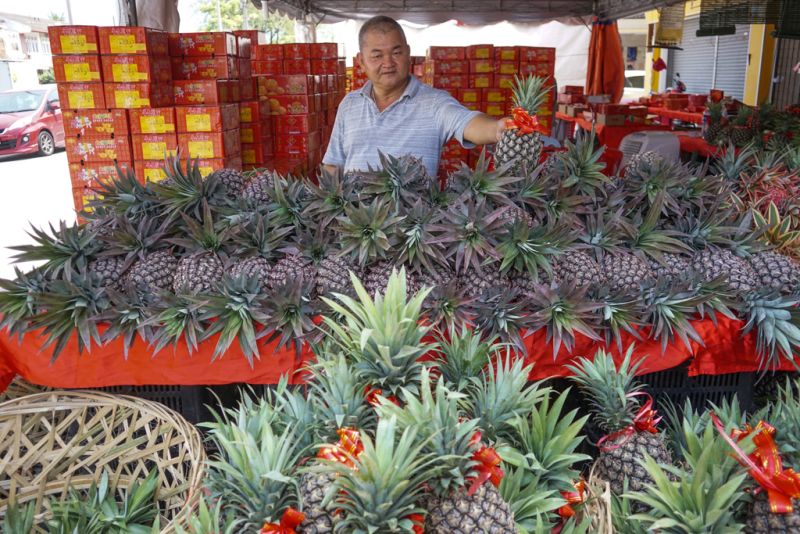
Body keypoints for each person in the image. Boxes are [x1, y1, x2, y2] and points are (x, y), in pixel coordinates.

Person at [322, 15, 506, 177]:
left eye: (396, 53)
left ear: (408, 53)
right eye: (377, 56)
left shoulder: (435, 103)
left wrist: (497, 128)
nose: (388, 63)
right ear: (361, 61)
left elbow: (466, 122)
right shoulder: (349, 104)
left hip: (413, 216)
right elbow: (333, 165)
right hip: (356, 215)